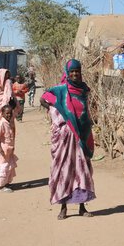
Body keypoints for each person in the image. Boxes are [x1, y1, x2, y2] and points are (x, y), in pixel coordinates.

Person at [40, 59, 96, 220]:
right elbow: (43, 99)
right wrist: (57, 111)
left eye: (77, 71)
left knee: (82, 170)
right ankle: (63, 207)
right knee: (63, 170)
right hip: (64, 137)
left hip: (82, 137)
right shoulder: (60, 90)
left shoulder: (84, 90)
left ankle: (82, 206)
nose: (74, 74)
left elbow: (85, 112)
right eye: (71, 71)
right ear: (67, 72)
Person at [0, 105, 17, 192]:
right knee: (3, 166)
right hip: (3, 149)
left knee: (9, 166)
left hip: (9, 149)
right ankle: (1, 185)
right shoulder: (2, 123)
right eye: (7, 113)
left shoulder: (9, 123)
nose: (9, 115)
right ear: (2, 114)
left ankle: (6, 182)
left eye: (10, 113)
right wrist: (0, 149)